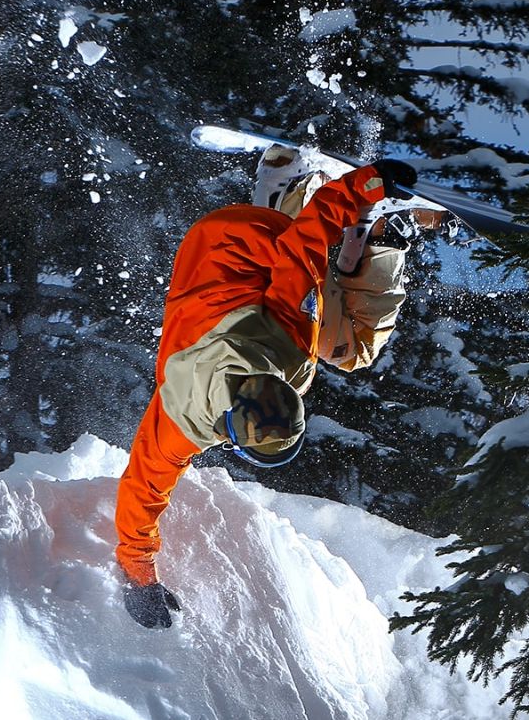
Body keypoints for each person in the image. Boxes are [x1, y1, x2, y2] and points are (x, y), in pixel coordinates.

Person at [114, 152, 420, 629]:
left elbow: (306, 240)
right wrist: (140, 578)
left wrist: (368, 185)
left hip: (246, 236)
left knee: (347, 342)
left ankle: (287, 187)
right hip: (213, 265)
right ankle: (370, 237)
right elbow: (141, 490)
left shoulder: (278, 332)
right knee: (337, 334)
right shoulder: (177, 413)